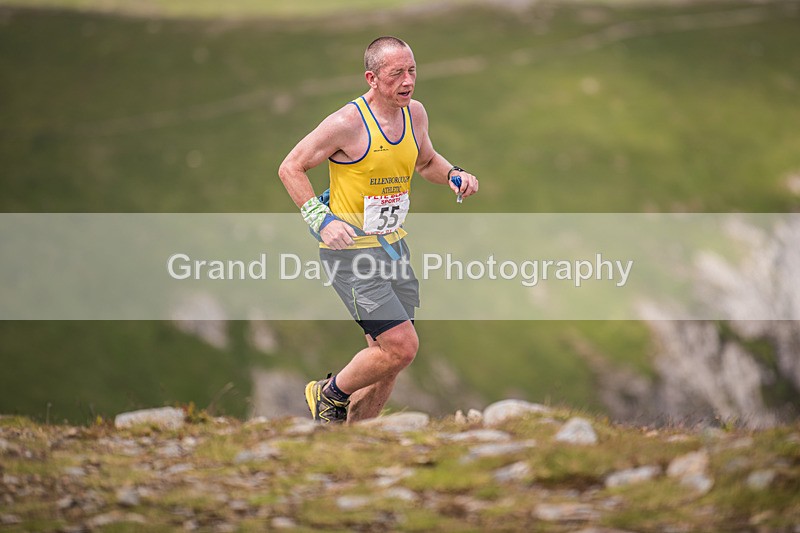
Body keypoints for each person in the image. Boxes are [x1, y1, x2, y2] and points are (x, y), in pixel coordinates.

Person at [278, 36, 479, 423]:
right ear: (372, 77)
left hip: (394, 248)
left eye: (412, 71)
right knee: (401, 347)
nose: (407, 81)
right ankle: (327, 393)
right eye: (396, 74)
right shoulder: (346, 124)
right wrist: (322, 220)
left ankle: (354, 438)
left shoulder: (415, 113)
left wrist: (454, 174)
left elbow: (426, 161)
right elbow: (291, 167)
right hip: (351, 253)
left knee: (388, 360)